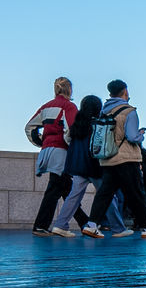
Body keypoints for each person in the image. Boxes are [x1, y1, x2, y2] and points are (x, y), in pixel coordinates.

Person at [81, 80, 146, 238]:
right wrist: (141, 135)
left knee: (104, 193)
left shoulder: (104, 111)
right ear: (125, 91)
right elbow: (132, 136)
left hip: (107, 158)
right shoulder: (129, 111)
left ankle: (92, 225)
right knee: (136, 194)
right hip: (126, 159)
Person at [49, 95, 126, 237]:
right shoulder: (98, 124)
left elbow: (68, 140)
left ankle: (60, 225)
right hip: (94, 165)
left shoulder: (77, 124)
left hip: (78, 165)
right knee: (106, 195)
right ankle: (118, 228)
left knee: (74, 196)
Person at [25, 76, 81, 236]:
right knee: (57, 188)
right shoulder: (69, 106)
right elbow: (71, 129)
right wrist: (69, 145)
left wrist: (41, 142)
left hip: (47, 151)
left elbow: (29, 128)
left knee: (64, 188)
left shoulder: (45, 107)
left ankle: (84, 223)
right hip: (60, 152)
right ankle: (41, 226)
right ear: (69, 89)